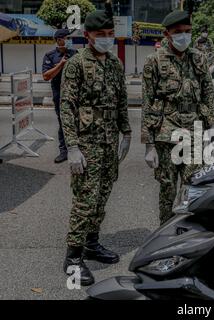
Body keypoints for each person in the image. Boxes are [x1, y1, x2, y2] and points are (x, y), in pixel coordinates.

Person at [60, 1, 132, 286]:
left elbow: (122, 101)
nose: (106, 38)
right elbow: (67, 106)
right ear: (88, 35)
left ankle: (91, 243)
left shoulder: (114, 63)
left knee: (102, 197)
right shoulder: (77, 63)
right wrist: (73, 147)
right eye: (100, 33)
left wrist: (126, 133)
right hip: (87, 144)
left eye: (109, 32)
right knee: (84, 202)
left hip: (108, 143)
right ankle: (73, 258)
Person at [141, 10, 214, 225]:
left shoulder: (199, 58)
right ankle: (165, 231)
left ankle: (190, 232)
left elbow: (208, 93)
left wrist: (213, 125)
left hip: (194, 129)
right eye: (178, 32)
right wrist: (149, 144)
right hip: (166, 132)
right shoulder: (154, 61)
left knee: (194, 185)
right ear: (167, 34)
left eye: (187, 31)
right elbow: (147, 102)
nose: (184, 36)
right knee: (167, 187)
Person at [42, 29, 77, 163]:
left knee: (78, 121)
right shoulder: (50, 55)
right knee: (63, 122)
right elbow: (46, 76)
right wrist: (60, 65)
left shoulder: (75, 54)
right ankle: (64, 151)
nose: (69, 40)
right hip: (60, 94)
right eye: (66, 38)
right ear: (58, 40)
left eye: (69, 38)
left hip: (76, 94)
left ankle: (78, 148)